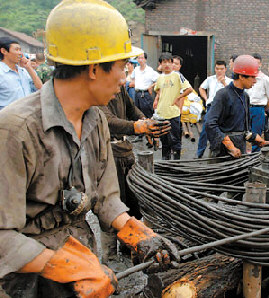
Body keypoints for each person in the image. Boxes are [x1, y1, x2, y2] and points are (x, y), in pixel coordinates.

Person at [0, 1, 179, 297]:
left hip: (83, 266)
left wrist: (134, 230)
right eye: (121, 67)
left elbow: (106, 197)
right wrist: (62, 265)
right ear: (94, 69)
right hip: (25, 281)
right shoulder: (15, 131)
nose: (125, 78)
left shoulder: (95, 119)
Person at [98, 85, 171, 261]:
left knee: (132, 202)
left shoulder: (119, 87)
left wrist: (145, 122)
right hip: (106, 153)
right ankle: (110, 257)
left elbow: (132, 109)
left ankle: (127, 244)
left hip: (124, 150)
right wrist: (139, 127)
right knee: (111, 204)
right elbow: (108, 120)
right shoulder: (97, 91)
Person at [205, 55, 269, 158]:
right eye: (252, 77)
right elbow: (210, 124)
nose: (255, 81)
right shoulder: (223, 95)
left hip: (240, 152)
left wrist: (258, 140)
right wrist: (229, 146)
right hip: (222, 154)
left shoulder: (245, 96)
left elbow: (245, 131)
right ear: (241, 77)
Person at [153, 52, 193, 160]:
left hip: (173, 114)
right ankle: (166, 164)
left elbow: (189, 89)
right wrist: (157, 99)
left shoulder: (177, 76)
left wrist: (179, 97)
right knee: (164, 142)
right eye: (164, 62)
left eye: (169, 62)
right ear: (160, 64)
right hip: (162, 114)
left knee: (175, 141)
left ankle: (176, 164)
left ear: (172, 63)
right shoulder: (160, 78)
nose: (167, 64)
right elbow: (157, 89)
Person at [196, 60, 232, 158]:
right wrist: (206, 98)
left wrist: (223, 82)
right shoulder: (210, 79)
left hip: (224, 109)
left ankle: (217, 152)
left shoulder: (229, 81)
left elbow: (231, 94)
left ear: (225, 69)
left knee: (221, 130)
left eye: (221, 69)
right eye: (217, 69)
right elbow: (201, 88)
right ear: (215, 69)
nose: (219, 71)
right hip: (211, 107)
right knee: (205, 129)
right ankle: (199, 153)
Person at [0, 37, 43, 109]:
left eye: (20, 50)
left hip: (26, 115)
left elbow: (40, 88)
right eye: (16, 50)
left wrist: (29, 68)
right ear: (4, 51)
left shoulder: (23, 71)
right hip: (7, 117)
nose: (20, 53)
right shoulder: (1, 73)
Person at [247, 53, 269, 152]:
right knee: (244, 133)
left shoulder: (265, 79)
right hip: (246, 108)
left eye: (258, 63)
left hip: (258, 109)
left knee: (256, 136)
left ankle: (255, 159)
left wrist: (263, 109)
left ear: (261, 64)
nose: (256, 65)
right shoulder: (247, 77)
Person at [130, 52, 160, 118]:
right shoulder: (136, 70)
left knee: (147, 114)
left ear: (145, 60)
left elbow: (160, 79)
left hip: (145, 95)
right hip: (137, 94)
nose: (140, 60)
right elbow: (132, 79)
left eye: (142, 58)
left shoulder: (150, 70)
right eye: (139, 58)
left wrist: (151, 86)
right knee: (137, 114)